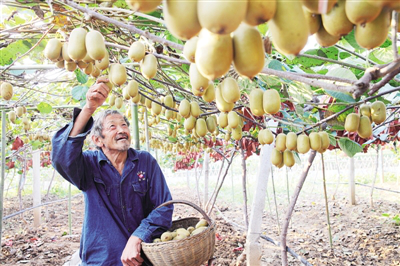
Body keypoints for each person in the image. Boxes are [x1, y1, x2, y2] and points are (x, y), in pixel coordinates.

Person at [51, 77, 173, 266]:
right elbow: (61, 156)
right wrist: (89, 108)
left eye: (124, 125)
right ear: (98, 140)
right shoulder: (88, 165)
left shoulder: (145, 161)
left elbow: (164, 207)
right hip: (101, 259)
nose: (121, 130)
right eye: (112, 127)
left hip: (140, 257)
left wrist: (138, 237)